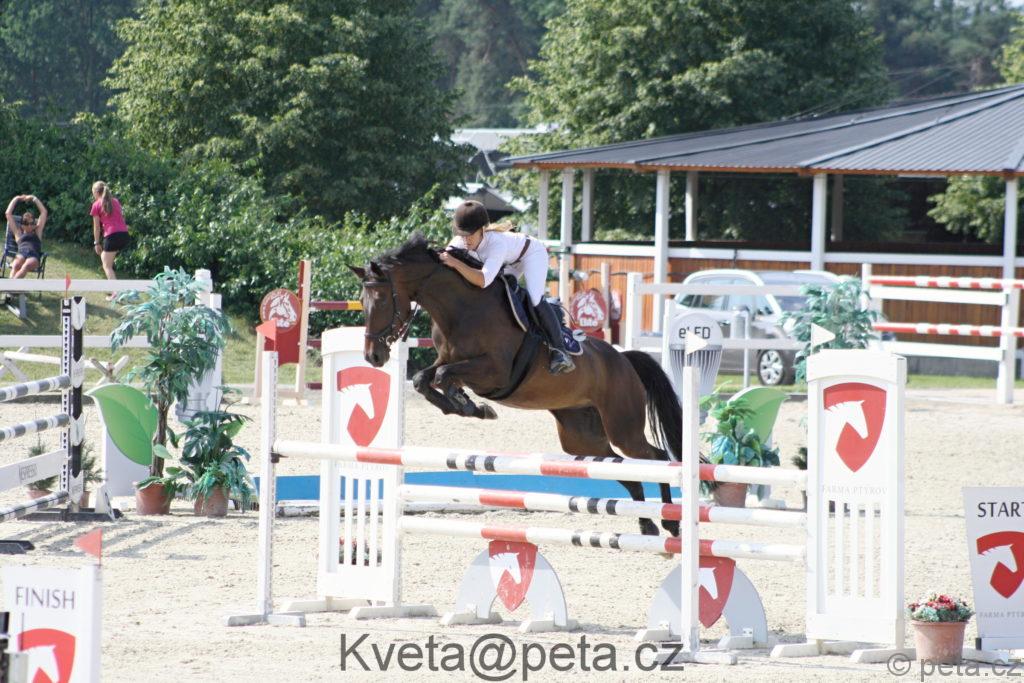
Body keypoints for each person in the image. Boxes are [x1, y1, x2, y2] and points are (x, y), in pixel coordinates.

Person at [439, 200, 575, 374]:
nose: (466, 239)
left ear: (482, 230)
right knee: (499, 295)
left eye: (470, 235)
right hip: (509, 261)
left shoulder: (496, 244)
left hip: (531, 253)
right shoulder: (460, 240)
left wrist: (456, 263)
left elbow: (482, 280)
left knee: (535, 298)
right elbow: (444, 258)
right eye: (462, 234)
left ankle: (560, 351)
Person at [89, 181, 130, 284]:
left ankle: (115, 291)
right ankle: (114, 288)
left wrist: (96, 243)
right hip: (124, 234)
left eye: (93, 193)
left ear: (96, 192)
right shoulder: (115, 201)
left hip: (112, 236)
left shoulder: (96, 205)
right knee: (104, 258)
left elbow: (97, 227)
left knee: (107, 266)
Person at [4, 194, 47, 279]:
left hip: (33, 256)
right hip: (21, 254)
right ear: (22, 225)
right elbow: (8, 213)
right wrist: (17, 198)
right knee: (16, 265)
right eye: (26, 223)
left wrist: (33, 198)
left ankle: (10, 286)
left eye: (32, 223)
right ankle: (12, 286)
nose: (30, 225)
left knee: (26, 266)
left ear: (34, 224)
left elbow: (44, 212)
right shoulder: (18, 233)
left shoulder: (37, 232)